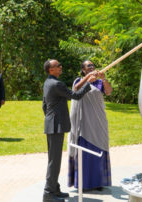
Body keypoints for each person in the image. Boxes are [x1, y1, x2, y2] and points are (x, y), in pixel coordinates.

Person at [42, 59, 92, 202]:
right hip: (55, 126)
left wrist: (50, 119)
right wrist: (89, 83)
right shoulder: (57, 84)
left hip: (52, 124)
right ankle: (48, 193)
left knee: (54, 159)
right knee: (54, 161)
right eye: (58, 66)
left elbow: (44, 105)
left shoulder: (48, 82)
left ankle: (55, 189)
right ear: (51, 70)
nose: (61, 67)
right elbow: (75, 96)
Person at [68, 60, 113, 191]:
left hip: (99, 121)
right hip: (84, 122)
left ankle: (98, 182)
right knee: (85, 152)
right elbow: (76, 89)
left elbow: (109, 92)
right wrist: (88, 79)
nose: (92, 67)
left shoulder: (99, 82)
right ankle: (83, 183)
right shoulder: (78, 81)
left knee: (99, 150)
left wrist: (104, 79)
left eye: (93, 65)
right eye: (89, 66)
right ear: (83, 70)